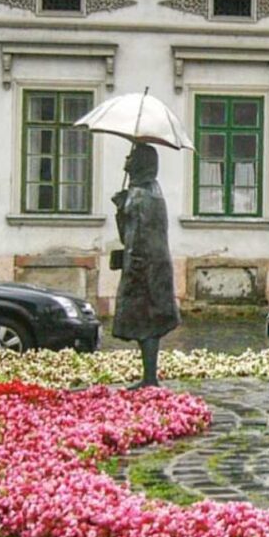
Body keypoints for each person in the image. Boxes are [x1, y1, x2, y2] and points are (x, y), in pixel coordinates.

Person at [112, 142, 180, 388]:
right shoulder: (151, 190)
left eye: (131, 156)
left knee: (147, 321)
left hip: (145, 266)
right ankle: (149, 377)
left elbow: (135, 238)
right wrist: (122, 211)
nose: (126, 161)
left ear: (141, 162)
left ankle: (150, 378)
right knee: (147, 321)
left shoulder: (141, 195)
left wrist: (125, 209)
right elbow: (128, 234)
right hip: (151, 264)